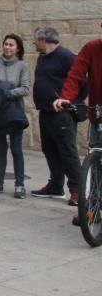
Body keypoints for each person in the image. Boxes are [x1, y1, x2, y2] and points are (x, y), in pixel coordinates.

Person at [53, 23, 102, 225]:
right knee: (95, 160)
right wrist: (66, 98)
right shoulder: (92, 48)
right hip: (98, 114)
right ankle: (90, 209)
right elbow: (76, 75)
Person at [30, 26, 82, 205]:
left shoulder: (66, 56)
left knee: (67, 151)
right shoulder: (43, 57)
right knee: (50, 150)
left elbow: (82, 81)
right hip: (45, 112)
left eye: (35, 39)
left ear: (44, 40)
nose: (34, 42)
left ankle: (77, 191)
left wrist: (70, 101)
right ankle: (56, 185)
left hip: (62, 114)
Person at [0, 34, 31, 198]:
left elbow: (25, 88)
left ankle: (20, 184)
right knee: (1, 148)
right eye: (6, 44)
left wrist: (4, 92)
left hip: (14, 111)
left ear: (18, 48)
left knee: (16, 149)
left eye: (11, 45)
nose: (7, 47)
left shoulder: (23, 65)